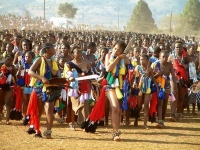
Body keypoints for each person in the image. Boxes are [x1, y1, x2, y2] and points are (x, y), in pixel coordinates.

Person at [27, 42, 58, 138]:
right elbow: (30, 72)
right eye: (53, 47)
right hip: (40, 87)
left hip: (51, 87)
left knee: (49, 108)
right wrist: (41, 77)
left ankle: (48, 132)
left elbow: (56, 74)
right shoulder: (39, 59)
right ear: (47, 50)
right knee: (39, 111)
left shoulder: (53, 61)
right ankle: (36, 128)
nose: (55, 49)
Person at [151, 50, 177, 128]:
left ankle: (162, 120)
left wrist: (175, 86)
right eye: (163, 57)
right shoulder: (156, 64)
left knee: (165, 103)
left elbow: (173, 75)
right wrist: (158, 74)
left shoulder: (169, 65)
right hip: (157, 86)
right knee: (159, 103)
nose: (165, 58)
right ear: (160, 57)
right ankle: (159, 120)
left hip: (167, 86)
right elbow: (152, 76)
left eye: (166, 57)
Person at [168, 41, 191, 121]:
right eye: (177, 47)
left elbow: (192, 65)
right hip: (173, 78)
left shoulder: (186, 56)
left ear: (182, 48)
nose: (178, 48)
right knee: (173, 95)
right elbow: (167, 66)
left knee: (181, 97)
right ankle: (172, 114)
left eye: (180, 47)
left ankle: (179, 113)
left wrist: (186, 66)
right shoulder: (171, 57)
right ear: (174, 48)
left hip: (183, 78)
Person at [134, 54, 158, 129]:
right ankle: (136, 119)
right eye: (140, 59)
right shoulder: (138, 67)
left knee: (146, 105)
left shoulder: (150, 69)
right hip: (140, 88)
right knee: (139, 106)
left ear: (147, 61)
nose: (141, 61)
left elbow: (153, 79)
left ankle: (145, 123)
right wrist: (134, 83)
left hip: (147, 88)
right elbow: (135, 78)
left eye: (143, 59)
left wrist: (157, 87)